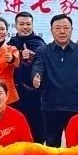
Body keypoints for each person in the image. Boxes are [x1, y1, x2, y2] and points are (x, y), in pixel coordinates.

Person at [31, 14, 78, 148]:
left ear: (72, 29)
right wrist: (36, 77)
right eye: (57, 28)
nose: (62, 31)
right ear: (51, 30)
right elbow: (37, 67)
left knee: (76, 145)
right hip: (51, 106)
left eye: (66, 27)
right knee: (52, 145)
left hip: (76, 106)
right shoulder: (43, 51)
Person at [9, 12, 47, 144]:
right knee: (16, 131)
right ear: (16, 26)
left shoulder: (39, 43)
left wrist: (31, 57)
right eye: (21, 24)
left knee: (36, 131)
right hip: (15, 94)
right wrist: (18, 56)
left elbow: (43, 65)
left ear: (32, 25)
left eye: (28, 24)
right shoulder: (11, 44)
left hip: (35, 95)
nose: (25, 27)